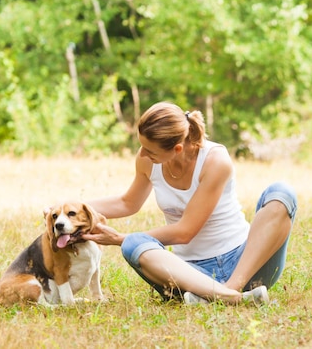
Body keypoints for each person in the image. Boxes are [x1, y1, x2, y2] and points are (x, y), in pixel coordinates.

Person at [83, 102, 298, 304]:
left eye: (150, 150)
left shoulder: (215, 160)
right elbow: (128, 202)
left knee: (282, 193)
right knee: (133, 245)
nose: (142, 154)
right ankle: (222, 295)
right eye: (142, 146)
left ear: (177, 149)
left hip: (247, 266)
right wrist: (73, 206)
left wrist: (118, 238)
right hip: (189, 273)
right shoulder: (147, 160)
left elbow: (186, 231)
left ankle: (228, 293)